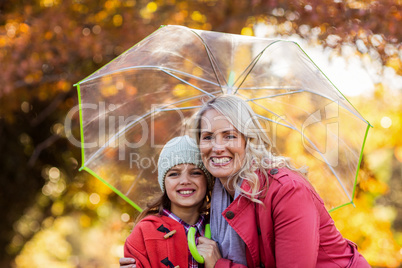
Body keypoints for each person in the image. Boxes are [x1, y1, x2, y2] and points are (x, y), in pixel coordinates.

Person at [121, 95, 370, 267]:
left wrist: (219, 265)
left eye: (229, 135)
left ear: (248, 140)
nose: (217, 147)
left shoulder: (287, 190)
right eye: (207, 137)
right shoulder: (218, 199)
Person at [123, 135, 216, 268]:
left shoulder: (220, 229)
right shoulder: (144, 233)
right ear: (164, 183)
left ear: (207, 180)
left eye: (195, 172)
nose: (185, 181)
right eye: (174, 174)